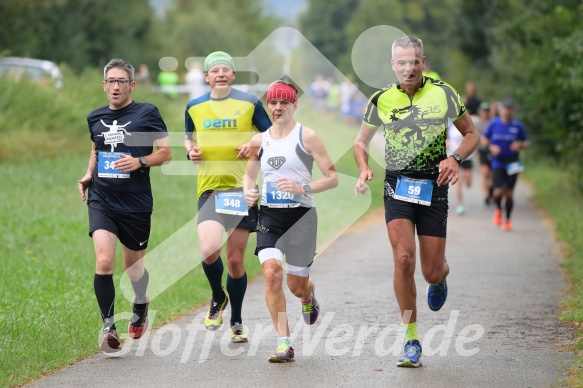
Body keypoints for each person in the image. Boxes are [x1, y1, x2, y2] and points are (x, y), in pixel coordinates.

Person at [353, 36, 480, 368]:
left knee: (431, 272)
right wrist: (364, 167)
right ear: (393, 65)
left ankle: (442, 273)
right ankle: (411, 340)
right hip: (397, 186)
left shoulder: (444, 93)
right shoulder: (381, 99)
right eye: (401, 63)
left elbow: (472, 134)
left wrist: (454, 159)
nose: (408, 68)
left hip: (434, 187)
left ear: (423, 62)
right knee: (404, 259)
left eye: (414, 61)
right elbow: (360, 142)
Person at [78, 58, 172, 353]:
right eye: (111, 81)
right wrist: (88, 173)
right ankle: (108, 326)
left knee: (133, 269)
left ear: (132, 85)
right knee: (104, 261)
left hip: (136, 203)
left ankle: (141, 304)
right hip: (102, 198)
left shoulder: (147, 113)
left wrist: (140, 161)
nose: (115, 86)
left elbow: (166, 152)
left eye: (121, 81)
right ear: (104, 85)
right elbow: (96, 148)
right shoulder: (94, 116)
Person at [243, 80, 338, 362]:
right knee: (272, 272)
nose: (278, 108)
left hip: (302, 216)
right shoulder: (259, 140)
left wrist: (302, 189)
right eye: (272, 103)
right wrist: (249, 189)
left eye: (284, 102)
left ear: (294, 105)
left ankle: (308, 297)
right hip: (270, 214)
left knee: (297, 286)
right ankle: (284, 342)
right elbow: (249, 175)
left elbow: (332, 178)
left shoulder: (307, 136)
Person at [184, 51, 272, 342]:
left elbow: (272, 135)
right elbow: (189, 137)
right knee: (209, 250)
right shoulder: (194, 107)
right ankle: (216, 296)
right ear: (207, 76)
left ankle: (236, 319)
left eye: (226, 69)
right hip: (209, 189)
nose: (220, 74)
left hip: (240, 190)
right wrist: (190, 151)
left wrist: (253, 143)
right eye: (214, 70)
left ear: (233, 75)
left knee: (235, 262)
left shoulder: (249, 103)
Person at [482, 98, 530, 231]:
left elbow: (527, 142)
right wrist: (491, 147)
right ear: (501, 109)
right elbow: (484, 139)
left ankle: (508, 220)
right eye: (505, 108)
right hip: (498, 162)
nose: (507, 111)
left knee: (509, 194)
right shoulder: (494, 124)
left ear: (513, 110)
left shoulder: (517, 125)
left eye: (510, 109)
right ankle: (498, 209)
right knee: (497, 193)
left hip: (513, 163)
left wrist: (520, 145)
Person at [447, 123, 474, 215]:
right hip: (454, 157)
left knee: (468, 183)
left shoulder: (466, 124)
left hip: (467, 157)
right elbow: (447, 139)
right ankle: (460, 205)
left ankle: (461, 203)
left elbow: (473, 137)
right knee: (459, 181)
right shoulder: (450, 127)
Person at [475, 102, 494, 204]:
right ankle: (487, 196)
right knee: (485, 173)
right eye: (483, 111)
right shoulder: (477, 124)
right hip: (482, 151)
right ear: (480, 111)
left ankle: (491, 191)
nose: (485, 113)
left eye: (487, 111)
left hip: (492, 151)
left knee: (492, 176)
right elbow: (474, 137)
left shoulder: (493, 123)